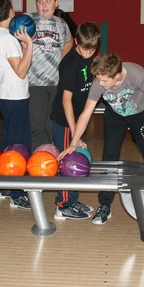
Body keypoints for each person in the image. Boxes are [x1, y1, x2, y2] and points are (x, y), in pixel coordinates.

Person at [60, 53, 144, 225]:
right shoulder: (99, 82)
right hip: (115, 113)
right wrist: (74, 142)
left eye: (104, 81)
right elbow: (86, 113)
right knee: (109, 156)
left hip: (141, 113)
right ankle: (105, 204)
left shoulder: (136, 74)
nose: (100, 83)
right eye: (98, 79)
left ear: (117, 75)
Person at [50, 22, 100, 220]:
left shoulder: (89, 58)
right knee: (68, 162)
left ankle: (72, 198)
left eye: (92, 50)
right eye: (85, 49)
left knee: (76, 159)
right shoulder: (70, 64)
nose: (88, 54)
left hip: (78, 118)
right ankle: (63, 205)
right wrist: (74, 133)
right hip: (65, 120)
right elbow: (66, 100)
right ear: (77, 42)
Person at [0, 0, 34, 209]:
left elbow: (15, 65)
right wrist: (30, 44)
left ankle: (4, 186)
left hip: (7, 96)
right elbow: (21, 71)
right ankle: (17, 193)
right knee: (19, 145)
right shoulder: (7, 39)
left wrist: (23, 47)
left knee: (8, 142)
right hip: (15, 98)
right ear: (10, 12)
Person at [28, 0, 73, 149]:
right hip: (34, 83)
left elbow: (69, 42)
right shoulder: (29, 20)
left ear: (56, 3)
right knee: (36, 124)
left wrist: (61, 60)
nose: (44, 5)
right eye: (40, 2)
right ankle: (36, 156)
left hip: (55, 83)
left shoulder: (61, 23)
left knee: (49, 123)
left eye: (48, 1)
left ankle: (46, 155)